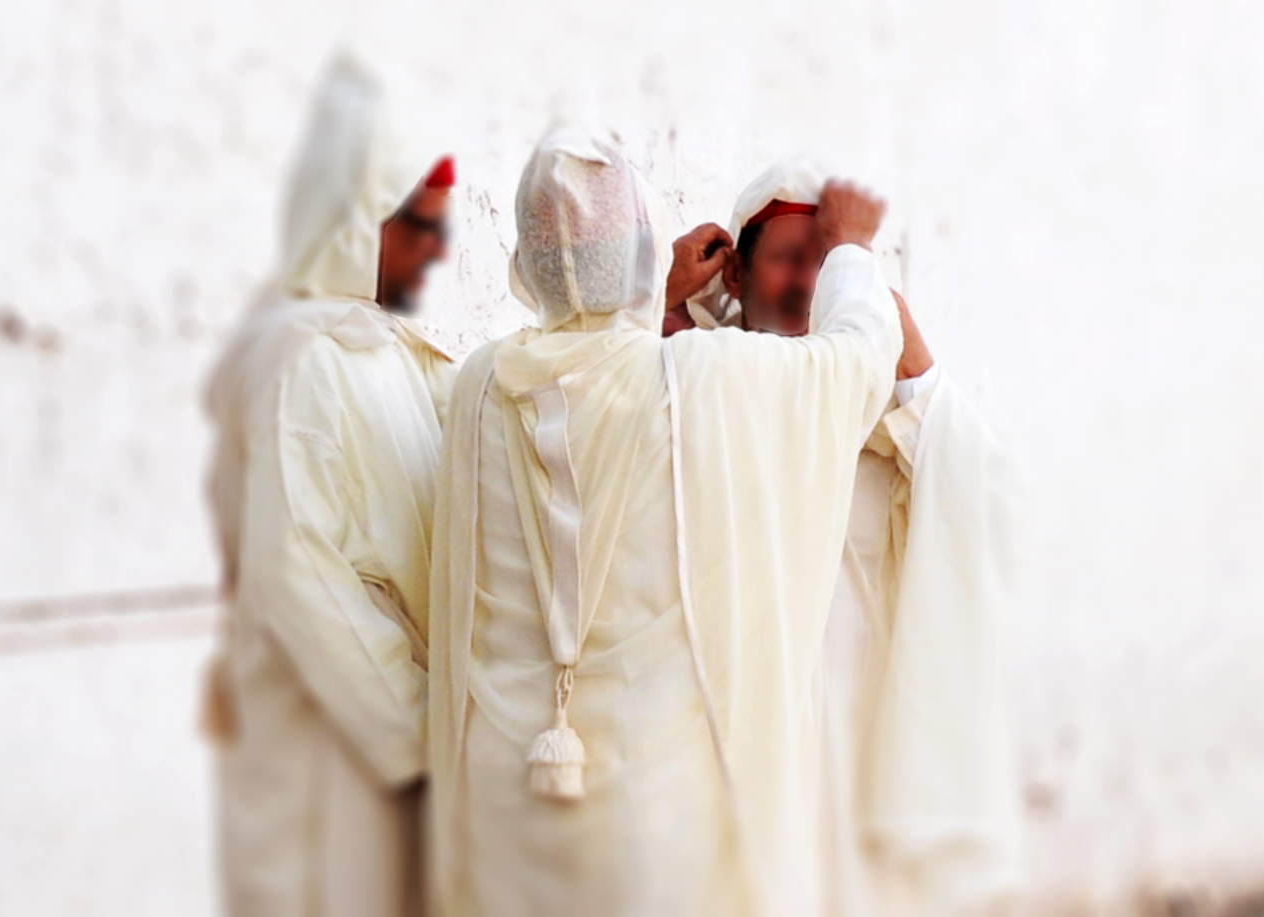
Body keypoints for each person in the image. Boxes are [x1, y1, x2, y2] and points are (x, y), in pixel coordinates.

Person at [423, 125, 902, 916]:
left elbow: (583, 365)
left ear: (526, 268)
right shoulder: (698, 379)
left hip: (505, 805)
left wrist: (648, 298)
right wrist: (850, 250)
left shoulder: (479, 386)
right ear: (647, 255)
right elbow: (853, 363)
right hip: (649, 824)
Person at [665, 158, 1021, 915]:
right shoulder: (696, 380)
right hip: (727, 734)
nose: (806, 282)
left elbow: (985, 495)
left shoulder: (879, 397)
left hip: (848, 739)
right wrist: (658, 303)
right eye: (788, 259)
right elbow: (610, 411)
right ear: (738, 274)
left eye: (824, 264)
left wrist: (916, 366)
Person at [202, 56, 455, 917]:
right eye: (419, 226)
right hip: (334, 760)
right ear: (357, 221)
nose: (437, 250)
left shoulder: (373, 347)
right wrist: (422, 728)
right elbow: (296, 570)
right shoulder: (301, 361)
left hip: (387, 763)